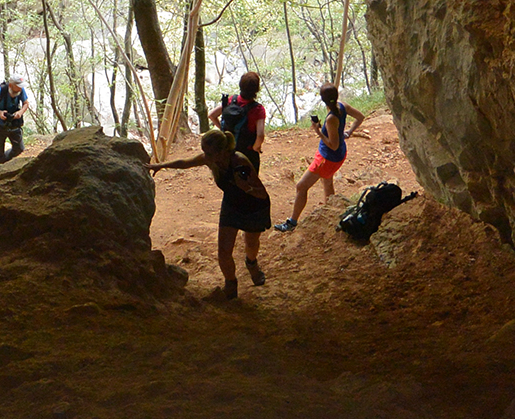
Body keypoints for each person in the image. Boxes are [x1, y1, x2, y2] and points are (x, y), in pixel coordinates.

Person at [148, 128, 270, 300]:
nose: (204, 155)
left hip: (253, 207)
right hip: (232, 205)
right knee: (223, 252)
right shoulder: (210, 159)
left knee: (251, 244)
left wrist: (246, 187)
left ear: (221, 151)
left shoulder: (239, 163)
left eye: (208, 152)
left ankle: (252, 263)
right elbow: (186, 162)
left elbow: (261, 193)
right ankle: (231, 285)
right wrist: (161, 166)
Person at [275, 83, 366, 231]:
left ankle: (292, 222)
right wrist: (348, 132)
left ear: (323, 100)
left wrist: (318, 132)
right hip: (338, 155)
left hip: (327, 158)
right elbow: (360, 117)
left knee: (301, 186)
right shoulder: (342, 106)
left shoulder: (331, 119)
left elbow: (333, 144)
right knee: (327, 183)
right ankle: (331, 216)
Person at [208, 70, 267, 172]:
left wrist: (224, 129)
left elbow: (211, 115)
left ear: (241, 86)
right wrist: (255, 147)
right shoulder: (258, 109)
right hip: (247, 153)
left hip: (228, 149)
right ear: (256, 90)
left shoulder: (231, 100)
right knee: (250, 182)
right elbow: (260, 135)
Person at [0, 74, 30, 164]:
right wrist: (0, 113)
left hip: (13, 124)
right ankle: (1, 167)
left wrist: (20, 112)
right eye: (18, 86)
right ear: (11, 85)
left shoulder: (21, 90)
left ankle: (4, 162)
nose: (20, 89)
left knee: (19, 148)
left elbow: (26, 103)